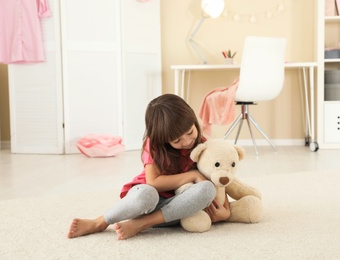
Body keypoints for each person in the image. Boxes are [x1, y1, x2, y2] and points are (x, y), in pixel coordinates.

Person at [67, 94, 231, 240]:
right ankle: (100, 222)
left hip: (176, 208)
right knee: (147, 194)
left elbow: (220, 175)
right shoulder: (154, 144)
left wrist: (226, 211)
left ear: (194, 121)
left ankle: (142, 224)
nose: (187, 141)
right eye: (176, 141)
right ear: (162, 138)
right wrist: (192, 175)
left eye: (190, 132)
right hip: (147, 204)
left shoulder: (202, 143)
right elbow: (153, 182)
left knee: (208, 189)